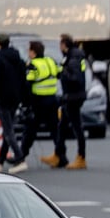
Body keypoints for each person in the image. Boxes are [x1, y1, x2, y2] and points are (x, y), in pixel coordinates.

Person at [41, 34, 87, 170]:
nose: (59, 47)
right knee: (62, 126)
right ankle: (58, 155)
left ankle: (81, 157)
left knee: (77, 128)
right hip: (70, 97)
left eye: (60, 45)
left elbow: (75, 78)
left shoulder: (73, 58)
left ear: (64, 45)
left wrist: (62, 72)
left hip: (74, 97)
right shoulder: (72, 56)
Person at [0, 34, 28, 173]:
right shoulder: (18, 60)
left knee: (8, 130)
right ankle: (0, 161)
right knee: (8, 128)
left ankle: (20, 158)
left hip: (3, 99)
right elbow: (24, 79)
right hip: (15, 99)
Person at [21, 40, 61, 165]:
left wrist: (25, 102)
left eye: (29, 50)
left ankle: (21, 155)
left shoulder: (33, 65)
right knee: (55, 130)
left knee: (30, 130)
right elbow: (59, 74)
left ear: (33, 52)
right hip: (53, 100)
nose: (28, 53)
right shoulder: (50, 61)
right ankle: (61, 156)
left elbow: (27, 83)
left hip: (38, 101)